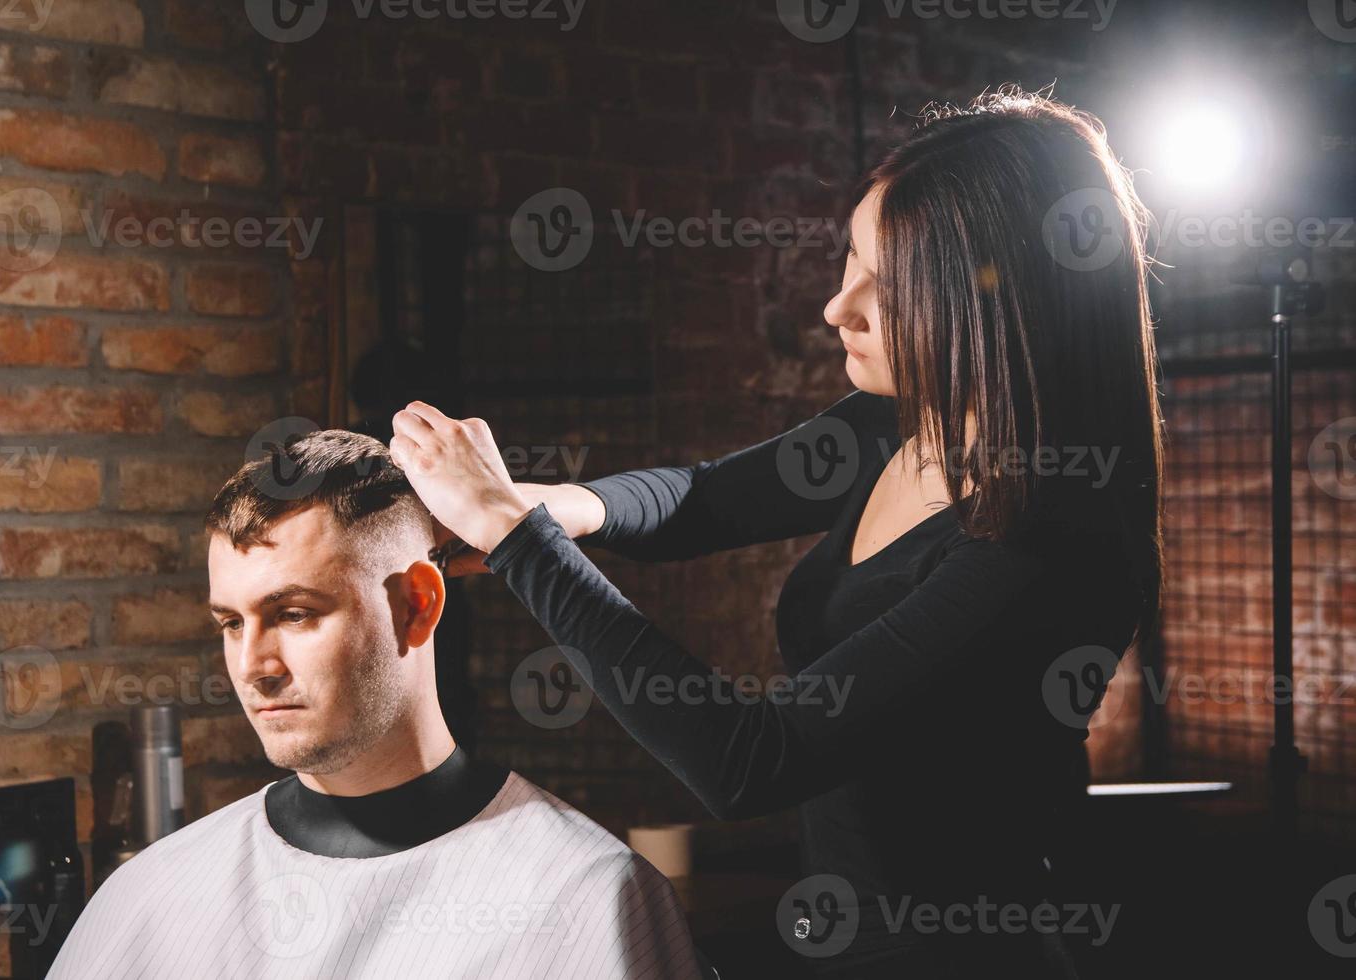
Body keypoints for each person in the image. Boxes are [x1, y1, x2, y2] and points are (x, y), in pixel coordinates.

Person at [387, 85, 1164, 978]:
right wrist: (549, 505)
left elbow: (751, 760)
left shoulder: (1043, 545)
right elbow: (703, 498)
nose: (840, 307)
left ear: (999, 300)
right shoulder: (907, 422)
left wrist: (521, 539)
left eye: (889, 284)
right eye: (850, 260)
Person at [46, 430, 704, 980]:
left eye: (295, 614)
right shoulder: (155, 895)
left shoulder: (585, 897)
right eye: (232, 624)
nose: (253, 667)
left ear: (417, 605)